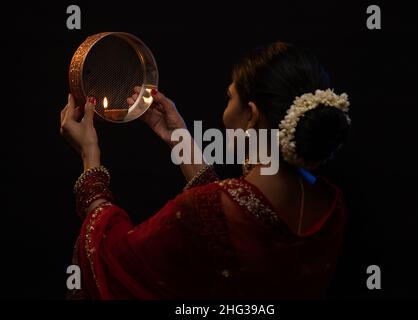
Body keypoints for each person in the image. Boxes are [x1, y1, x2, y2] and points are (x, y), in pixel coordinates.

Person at [60, 42, 351, 299]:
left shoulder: (202, 209)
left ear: (251, 114)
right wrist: (179, 139)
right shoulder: (331, 205)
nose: (225, 111)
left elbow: (115, 260)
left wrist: (90, 160)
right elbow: (228, 230)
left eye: (230, 97)